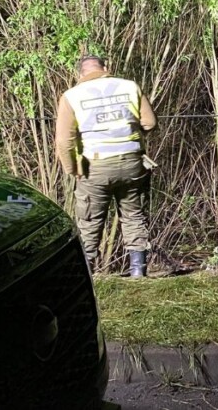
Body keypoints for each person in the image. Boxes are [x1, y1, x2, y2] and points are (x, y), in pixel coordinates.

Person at [55, 55, 157, 277]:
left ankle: (88, 278)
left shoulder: (71, 96)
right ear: (106, 68)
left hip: (95, 167)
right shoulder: (130, 86)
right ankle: (138, 272)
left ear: (79, 73)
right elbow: (149, 122)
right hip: (132, 163)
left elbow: (64, 141)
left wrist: (73, 169)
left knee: (90, 221)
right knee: (133, 216)